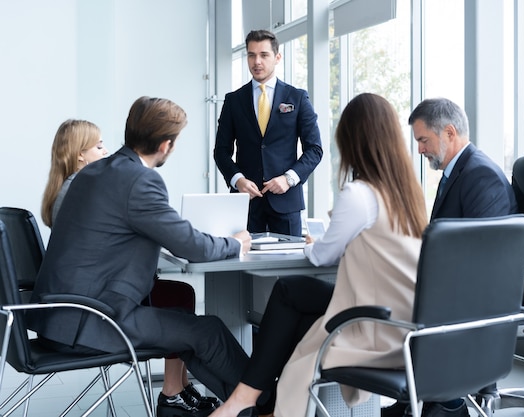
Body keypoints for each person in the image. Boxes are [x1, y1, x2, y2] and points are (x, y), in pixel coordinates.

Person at [28, 96, 252, 417]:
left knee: (192, 331)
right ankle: (272, 405)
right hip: (95, 320)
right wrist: (235, 244)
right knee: (209, 331)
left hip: (59, 317)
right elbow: (191, 247)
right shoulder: (140, 180)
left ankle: (244, 409)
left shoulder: (93, 173)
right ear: (165, 145)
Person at [210, 92, 429, 417]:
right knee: (298, 312)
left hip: (376, 324)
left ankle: (248, 399)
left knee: (288, 293)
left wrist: (314, 243)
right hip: (409, 323)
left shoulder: (360, 194)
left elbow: (322, 256)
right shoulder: (409, 193)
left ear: (353, 141)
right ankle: (254, 401)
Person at [399, 97, 517, 417]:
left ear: (449, 133)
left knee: (394, 304)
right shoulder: (458, 172)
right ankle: (413, 399)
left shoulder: (480, 176)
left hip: (474, 298)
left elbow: (485, 255)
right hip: (453, 286)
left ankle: (443, 401)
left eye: (423, 140)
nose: (420, 150)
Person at [214, 29, 323, 236]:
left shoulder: (297, 98)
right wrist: (238, 180)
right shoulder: (233, 101)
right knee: (242, 265)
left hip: (286, 200)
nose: (257, 62)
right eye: (251, 55)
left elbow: (314, 150)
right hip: (246, 203)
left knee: (288, 266)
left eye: (264, 55)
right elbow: (220, 151)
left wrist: (288, 179)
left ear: (277, 57)